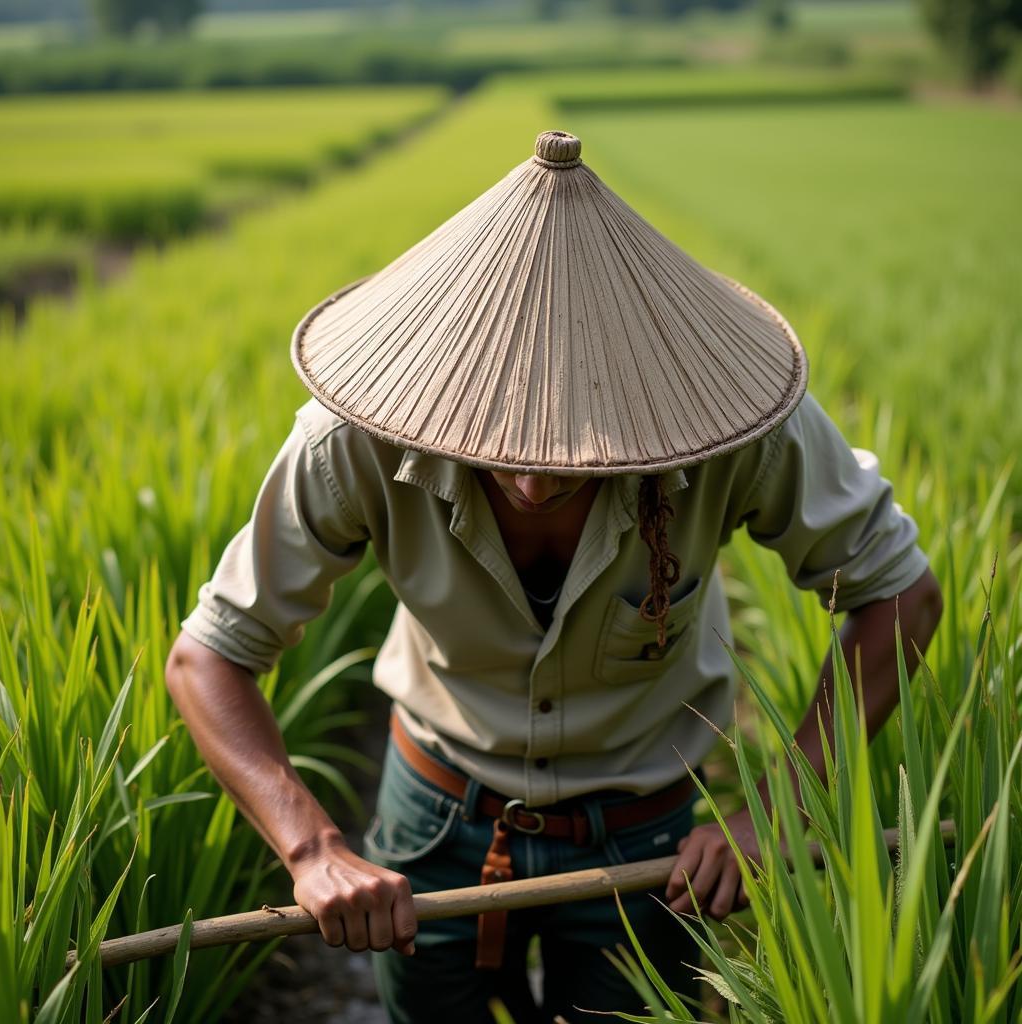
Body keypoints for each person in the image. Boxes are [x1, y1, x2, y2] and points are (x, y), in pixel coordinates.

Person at [165, 131, 943, 1023]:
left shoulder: (739, 429)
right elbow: (209, 657)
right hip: (437, 811)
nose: (533, 483)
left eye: (577, 446)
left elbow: (902, 597)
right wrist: (311, 848)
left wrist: (783, 801)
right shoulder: (354, 441)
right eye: (498, 445)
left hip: (646, 832)